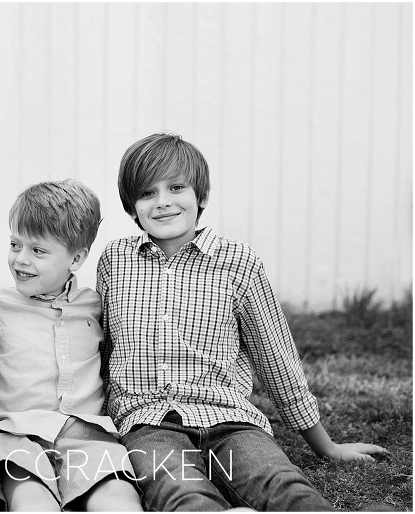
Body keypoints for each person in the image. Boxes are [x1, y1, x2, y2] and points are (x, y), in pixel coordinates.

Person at [96, 133, 388, 511]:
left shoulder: (239, 262)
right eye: (147, 193)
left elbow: (276, 356)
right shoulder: (115, 261)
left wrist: (325, 446)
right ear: (132, 207)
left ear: (200, 197)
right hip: (147, 425)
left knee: (281, 486)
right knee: (180, 493)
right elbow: (103, 349)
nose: (163, 201)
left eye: (177, 187)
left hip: (230, 419)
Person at [0, 179, 144, 511]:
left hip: (87, 434)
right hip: (18, 436)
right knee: (31, 500)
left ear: (76, 258)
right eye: (15, 245)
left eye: (38, 250)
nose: (21, 260)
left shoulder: (94, 306)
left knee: (119, 499)